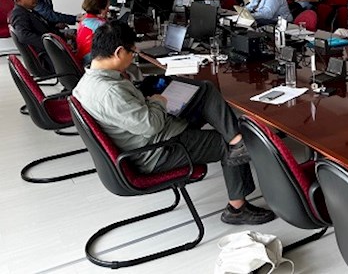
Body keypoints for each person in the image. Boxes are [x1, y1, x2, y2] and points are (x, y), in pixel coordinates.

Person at [72, 21, 276, 225]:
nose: (133, 57)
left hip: (152, 131)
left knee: (204, 89)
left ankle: (236, 139)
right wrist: (157, 102)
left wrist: (151, 98)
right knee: (225, 146)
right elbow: (151, 126)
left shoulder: (87, 82)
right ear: (118, 52)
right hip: (157, 150)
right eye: (132, 52)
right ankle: (237, 208)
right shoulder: (109, 92)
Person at [9, 0, 62, 72]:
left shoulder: (29, 11)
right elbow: (24, 36)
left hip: (52, 53)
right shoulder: (19, 14)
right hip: (48, 59)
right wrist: (52, 45)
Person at [76, 0, 110, 65]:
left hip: (82, 58)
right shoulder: (100, 25)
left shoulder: (83, 21)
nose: (108, 10)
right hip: (91, 60)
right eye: (107, 8)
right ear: (100, 8)